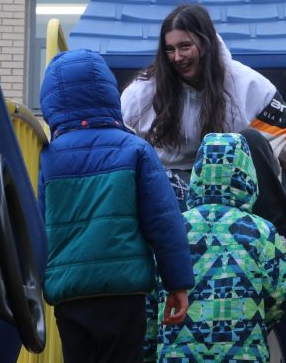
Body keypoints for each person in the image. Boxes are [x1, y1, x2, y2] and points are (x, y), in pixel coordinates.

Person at [121, 3, 286, 265]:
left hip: (233, 187)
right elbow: (120, 147)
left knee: (252, 140)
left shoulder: (246, 86)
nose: (177, 57)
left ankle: (275, 245)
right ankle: (160, 257)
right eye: (170, 49)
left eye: (185, 46)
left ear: (206, 43)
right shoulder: (142, 94)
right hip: (175, 192)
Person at [38, 49, 195, 363]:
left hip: (70, 292)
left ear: (52, 101)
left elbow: (39, 225)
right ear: (109, 93)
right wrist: (177, 282)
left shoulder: (48, 157)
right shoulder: (135, 149)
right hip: (124, 291)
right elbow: (164, 221)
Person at [152, 133, 286, 362]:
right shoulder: (262, 232)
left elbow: (152, 297)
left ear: (198, 172)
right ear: (247, 174)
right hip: (243, 353)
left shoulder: (172, 229)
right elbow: (278, 295)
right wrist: (253, 325)